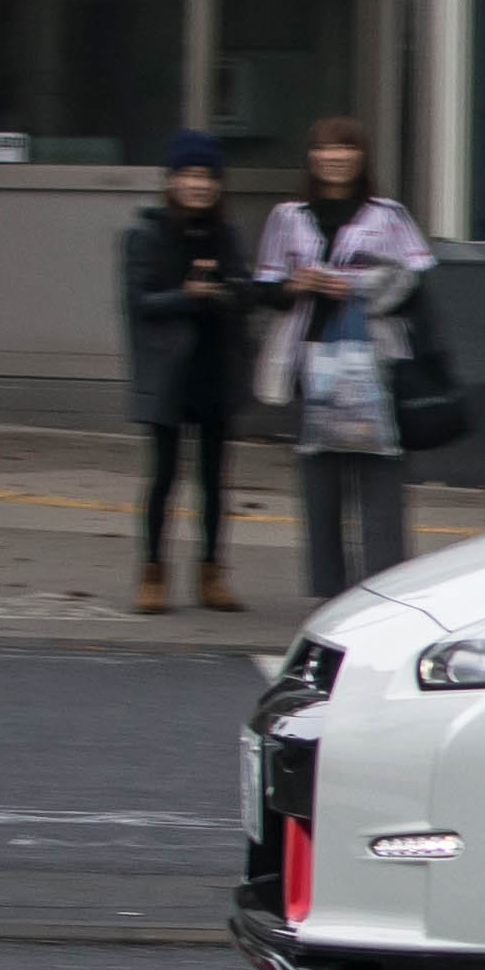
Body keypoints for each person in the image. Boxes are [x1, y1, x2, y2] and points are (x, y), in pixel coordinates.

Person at [254, 116, 433, 598]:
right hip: (309, 362)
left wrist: (357, 286)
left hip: (376, 362)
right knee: (320, 483)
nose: (335, 157)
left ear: (362, 157)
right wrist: (299, 284)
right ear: (312, 158)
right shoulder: (287, 216)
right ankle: (327, 594)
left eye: (346, 148)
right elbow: (266, 288)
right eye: (326, 149)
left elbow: (416, 285)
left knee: (381, 478)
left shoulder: (388, 214)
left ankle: (386, 591)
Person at [125, 131, 271, 614]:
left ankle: (212, 573)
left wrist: (227, 288)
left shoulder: (224, 234)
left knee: (215, 479)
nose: (199, 186)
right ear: (171, 182)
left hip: (216, 369)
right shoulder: (145, 234)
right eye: (189, 176)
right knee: (163, 476)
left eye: (207, 177)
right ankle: (152, 573)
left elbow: (246, 292)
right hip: (169, 374)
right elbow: (141, 302)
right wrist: (189, 295)